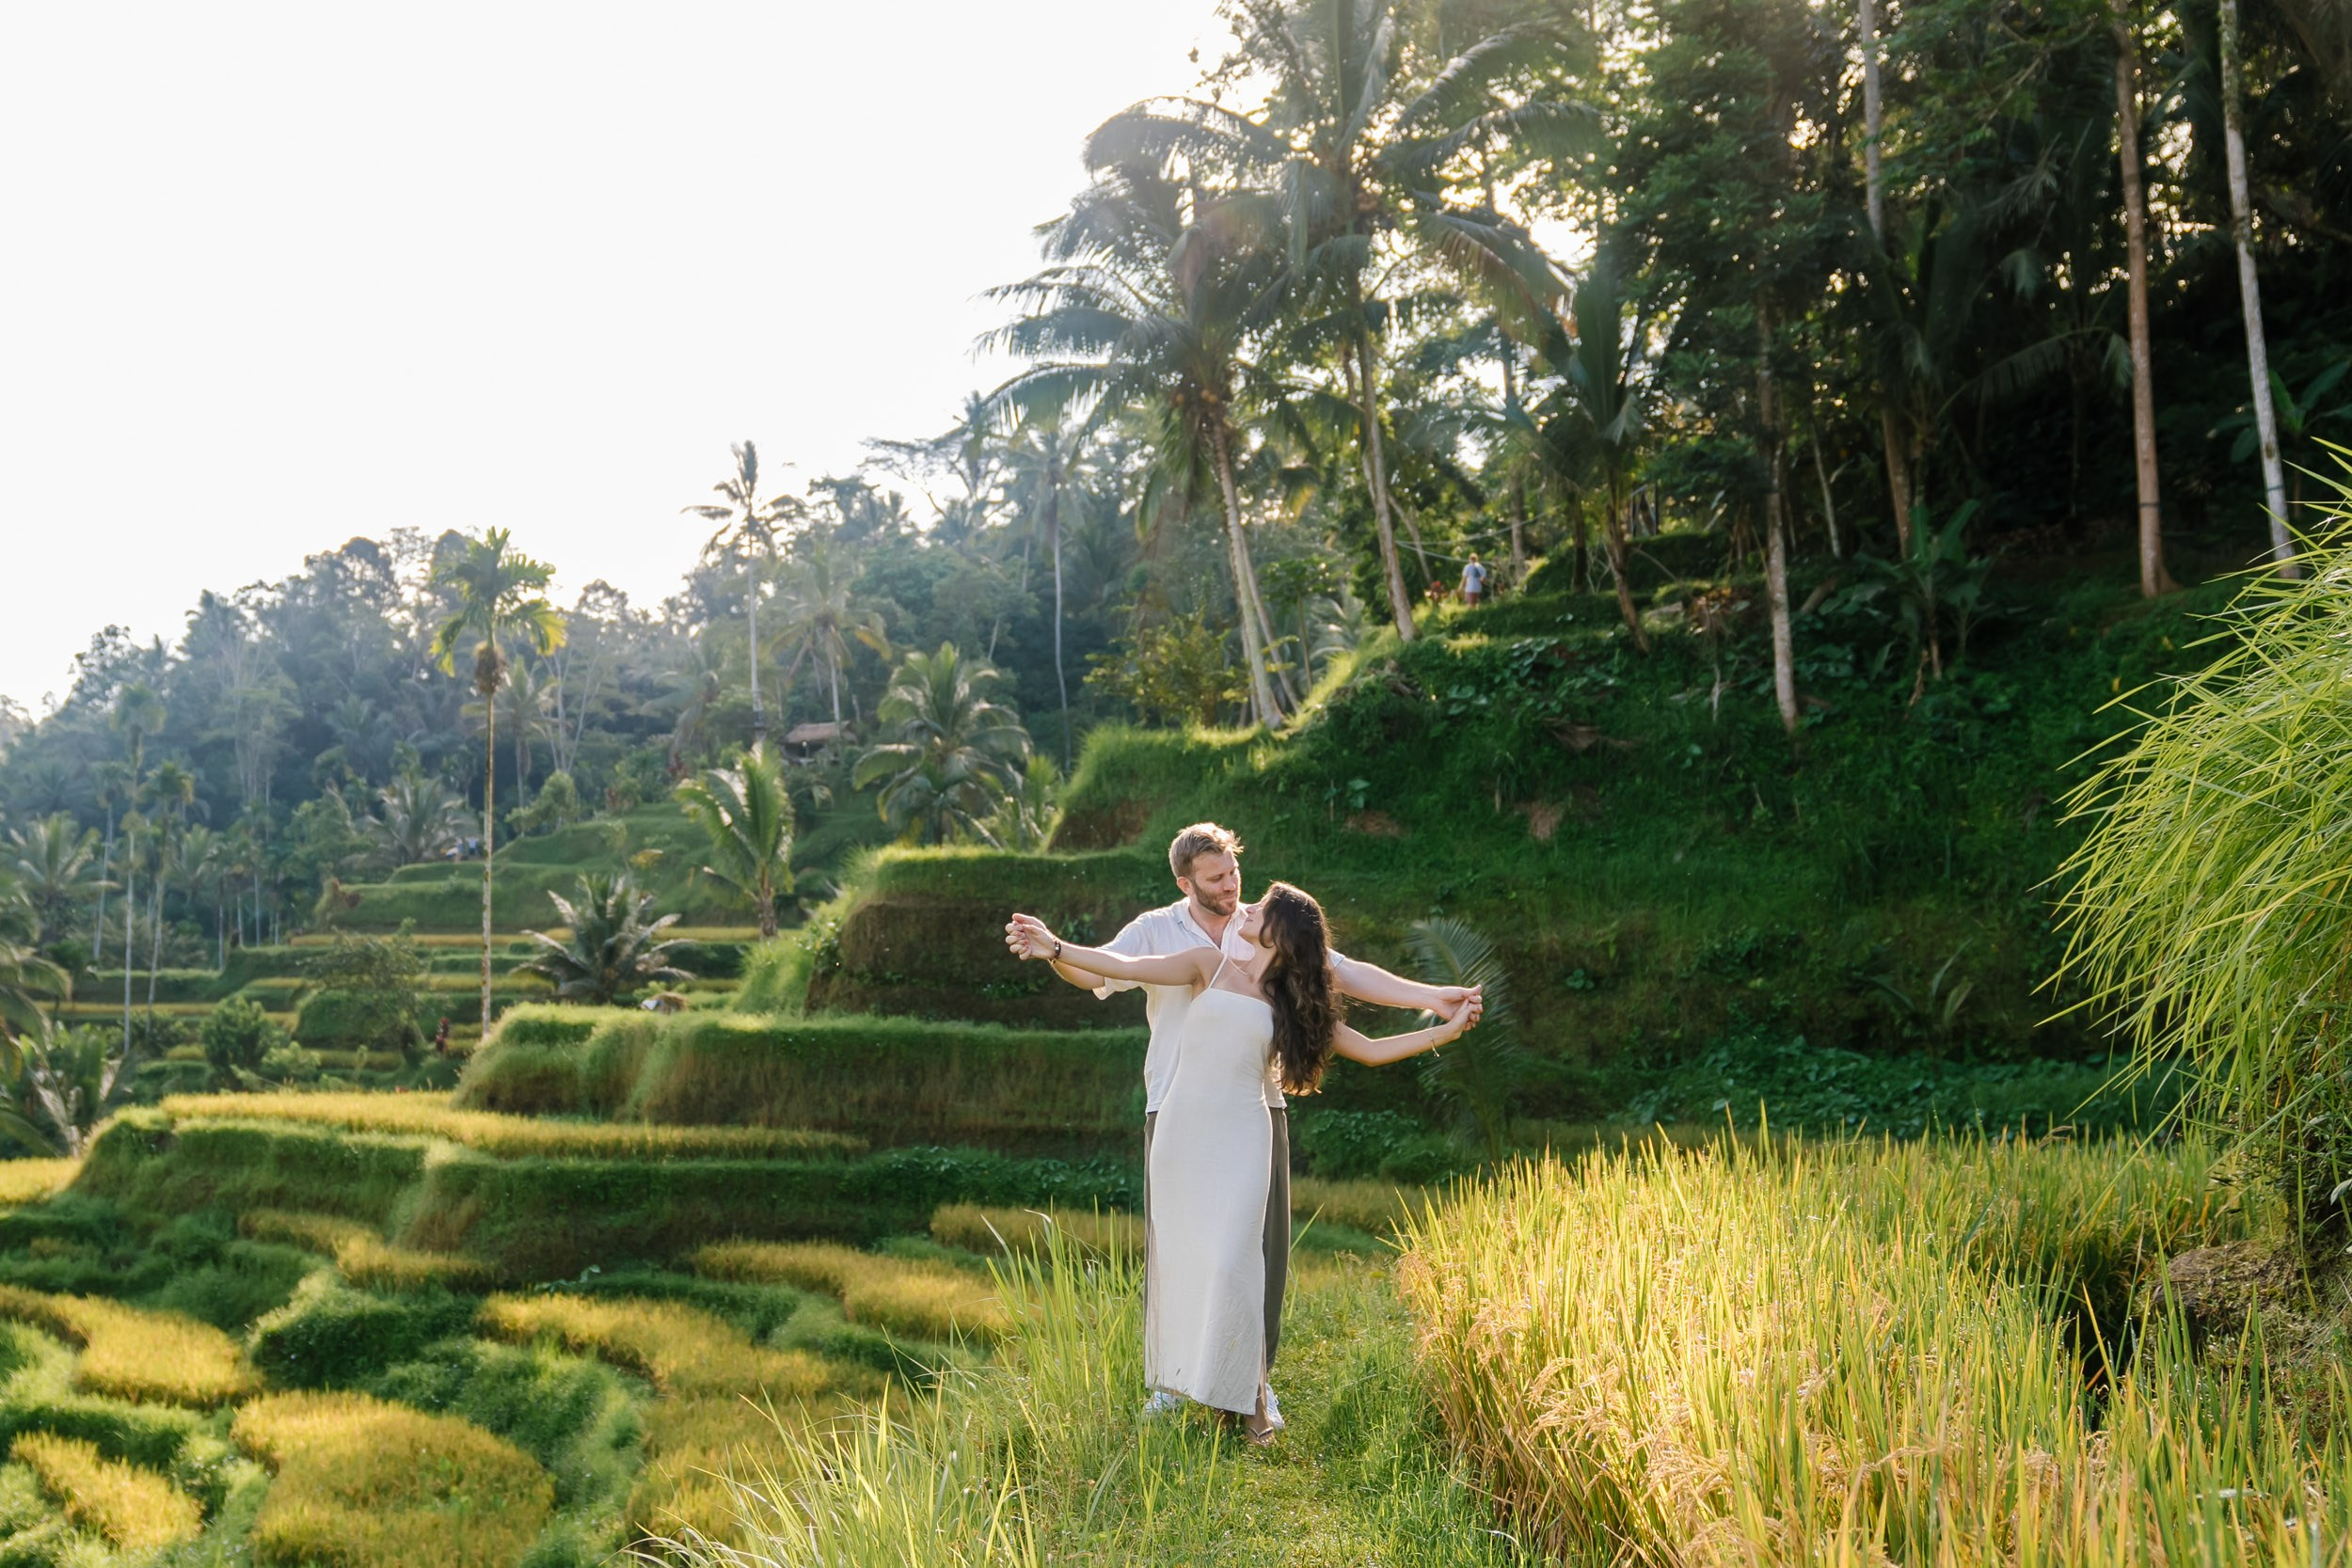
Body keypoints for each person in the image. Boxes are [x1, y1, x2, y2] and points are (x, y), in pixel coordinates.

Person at [1005, 823, 1480, 1431]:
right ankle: (1176, 1382)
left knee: (1242, 1258)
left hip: (1249, 1123)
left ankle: (1253, 1388)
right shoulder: (1192, 949)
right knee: (1179, 1252)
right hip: (1177, 1117)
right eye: (1218, 879)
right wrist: (1056, 948)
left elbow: (1362, 1024)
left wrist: (1440, 1011)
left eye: (1237, 876)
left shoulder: (1288, 988)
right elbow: (1116, 966)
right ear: (1186, 882)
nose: (1236, 892)